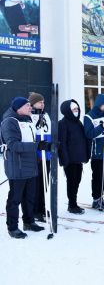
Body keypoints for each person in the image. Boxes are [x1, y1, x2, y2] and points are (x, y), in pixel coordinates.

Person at [1, 97, 46, 238]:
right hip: (17, 166)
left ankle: (29, 221)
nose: (30, 108)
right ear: (18, 107)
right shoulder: (9, 122)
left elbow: (31, 140)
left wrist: (43, 144)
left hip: (31, 166)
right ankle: (12, 227)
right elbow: (13, 145)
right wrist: (36, 146)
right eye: (27, 106)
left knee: (30, 197)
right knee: (15, 199)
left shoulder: (28, 120)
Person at [84, 94, 104, 211]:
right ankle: (96, 199)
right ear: (98, 105)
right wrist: (101, 127)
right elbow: (89, 134)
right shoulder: (89, 117)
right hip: (97, 152)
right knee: (98, 176)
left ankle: (101, 198)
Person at [58, 99, 90, 214]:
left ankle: (74, 202)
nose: (76, 111)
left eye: (77, 109)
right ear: (68, 110)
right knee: (71, 182)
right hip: (70, 160)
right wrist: (65, 159)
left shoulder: (78, 122)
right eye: (74, 109)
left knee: (77, 181)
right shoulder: (63, 123)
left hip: (78, 158)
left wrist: (86, 155)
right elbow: (62, 142)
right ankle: (72, 205)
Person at [29, 92, 51, 222]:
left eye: (43, 102)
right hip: (36, 156)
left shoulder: (45, 115)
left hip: (46, 154)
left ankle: (42, 207)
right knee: (36, 184)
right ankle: (35, 209)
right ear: (33, 104)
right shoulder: (30, 116)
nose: (42, 104)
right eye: (39, 102)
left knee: (45, 183)